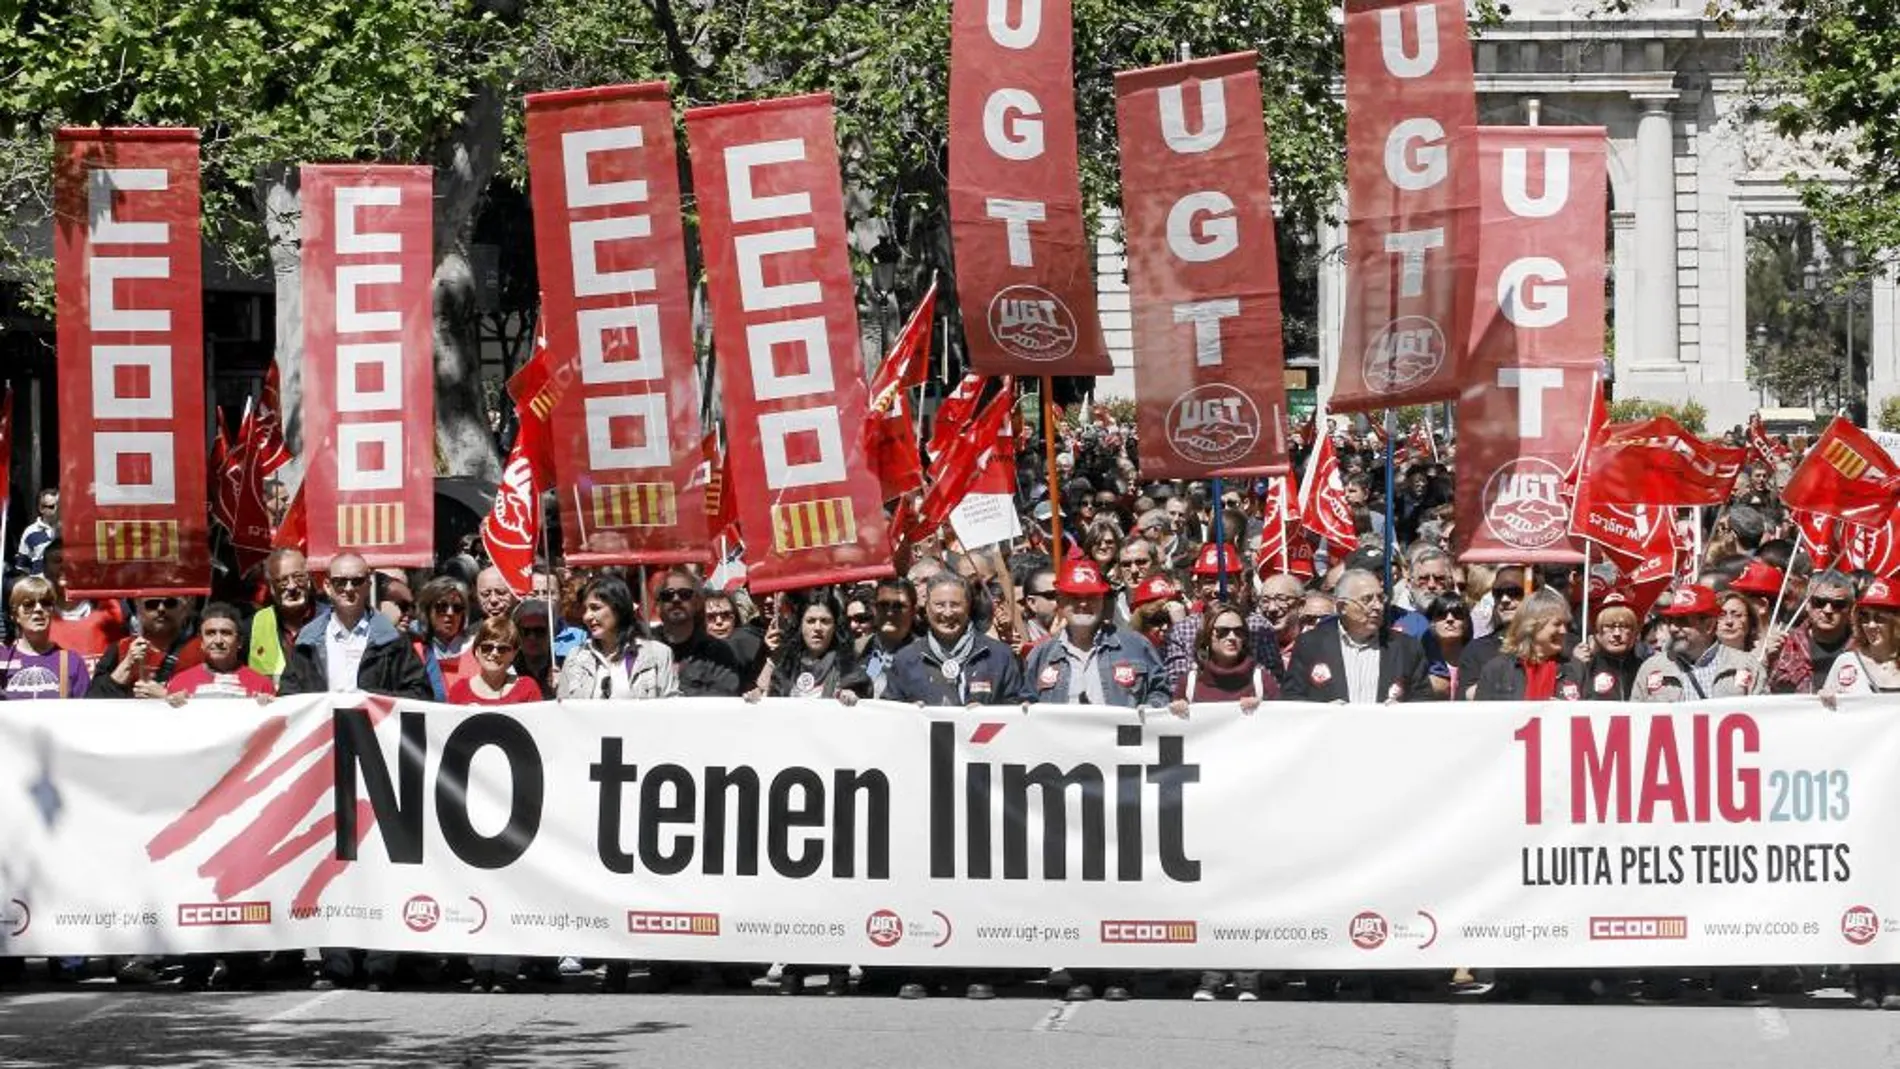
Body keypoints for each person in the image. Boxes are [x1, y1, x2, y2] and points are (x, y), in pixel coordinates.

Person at [278, 554, 434, 992]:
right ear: (326, 587)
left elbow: (418, 693)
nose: (348, 589)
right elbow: (289, 695)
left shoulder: (393, 641)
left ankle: (380, 964)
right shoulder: (308, 640)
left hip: (377, 764)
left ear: (369, 585)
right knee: (332, 863)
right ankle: (337, 962)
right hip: (324, 766)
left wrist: (370, 704)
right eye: (340, 582)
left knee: (380, 861)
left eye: (357, 581)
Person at [1280, 569, 1434, 704]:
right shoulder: (1310, 645)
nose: (1377, 606)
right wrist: (1323, 712)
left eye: (1381, 598)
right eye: (1367, 600)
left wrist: (1401, 711)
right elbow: (1292, 699)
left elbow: (1423, 700)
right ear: (1342, 607)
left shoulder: (1407, 647)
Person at [884, 574, 1024, 711]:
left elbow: (1016, 708)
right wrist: (909, 713)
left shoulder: (999, 655)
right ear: (927, 608)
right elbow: (889, 713)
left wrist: (987, 715)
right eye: (939, 605)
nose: (948, 613)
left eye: (955, 605)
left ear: (968, 607)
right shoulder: (905, 659)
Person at [1632, 585, 1766, 701]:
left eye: (1682, 621)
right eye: (1670, 621)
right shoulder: (1651, 668)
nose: (1673, 628)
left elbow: (1765, 719)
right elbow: (1636, 721)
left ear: (1708, 625)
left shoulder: (1746, 666)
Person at [555, 576, 679, 700]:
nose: (587, 616)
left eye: (595, 608)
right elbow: (564, 712)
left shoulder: (657, 655)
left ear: (618, 608)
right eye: (585, 610)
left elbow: (672, 709)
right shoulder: (575, 658)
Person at [756, 593, 871, 704]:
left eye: (825, 621)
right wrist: (756, 695)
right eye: (811, 621)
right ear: (801, 625)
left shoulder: (848, 668)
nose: (817, 628)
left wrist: (852, 695)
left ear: (835, 626)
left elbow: (863, 697)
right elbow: (766, 696)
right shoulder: (786, 663)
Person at [90, 594, 204, 699]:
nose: (161, 609)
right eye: (152, 604)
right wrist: (127, 664)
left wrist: (165, 696)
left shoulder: (201, 650)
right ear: (138, 607)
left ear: (185, 608)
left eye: (170, 603)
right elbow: (94, 699)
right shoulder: (120, 648)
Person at [652, 568, 746, 696]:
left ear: (697, 603)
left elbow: (723, 701)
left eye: (685, 594)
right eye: (667, 595)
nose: (676, 599)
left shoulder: (719, 653)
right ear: (658, 606)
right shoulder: (643, 647)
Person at [1170, 602, 1277, 713]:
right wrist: (1178, 709)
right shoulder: (1188, 684)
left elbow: (1280, 721)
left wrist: (1263, 709)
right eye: (1222, 631)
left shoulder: (1262, 681)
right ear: (1207, 635)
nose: (1232, 637)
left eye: (1239, 631)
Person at [1473, 589, 1576, 700]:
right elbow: (1481, 714)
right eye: (1557, 624)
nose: (1563, 631)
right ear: (1533, 626)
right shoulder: (1497, 670)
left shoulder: (1575, 669)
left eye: (1566, 624)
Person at [42, 540, 127, 672]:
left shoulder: (114, 608)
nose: (65, 565)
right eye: (57, 560)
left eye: (72, 560)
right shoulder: (37, 615)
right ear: (45, 569)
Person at [1767, 569, 1856, 694]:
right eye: (1819, 602)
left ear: (1851, 609)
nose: (1828, 610)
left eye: (1838, 604)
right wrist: (1769, 661)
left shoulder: (1862, 648)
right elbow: (1767, 692)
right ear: (1807, 604)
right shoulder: (1785, 645)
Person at [0, 576, 89, 700]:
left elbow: (84, 714)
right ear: (15, 615)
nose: (38, 609)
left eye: (45, 603)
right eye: (28, 604)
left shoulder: (72, 662)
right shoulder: (3, 656)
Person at [168, 603, 276, 700]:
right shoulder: (179, 684)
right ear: (201, 642)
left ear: (239, 642)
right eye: (210, 633)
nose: (218, 640)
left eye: (226, 633)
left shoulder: (262, 685)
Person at [1819, 578, 1900, 703]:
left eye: (1880, 618)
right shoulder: (1846, 662)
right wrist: (1824, 700)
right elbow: (1825, 715)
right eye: (1865, 617)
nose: (1871, 625)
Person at [248, 548, 321, 684]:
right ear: (271, 587)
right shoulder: (253, 625)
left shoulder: (332, 620)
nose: (292, 586)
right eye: (282, 581)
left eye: (298, 577)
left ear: (309, 580)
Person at [1456, 567, 1530, 698]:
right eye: (1498, 593)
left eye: (1514, 592)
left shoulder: (1554, 646)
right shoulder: (1476, 651)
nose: (1505, 599)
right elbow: (1464, 701)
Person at [1561, 591, 1645, 701]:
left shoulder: (1645, 668)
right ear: (1596, 632)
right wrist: (1576, 664)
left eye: (1624, 626)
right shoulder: (1584, 668)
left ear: (1635, 631)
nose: (1616, 634)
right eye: (1609, 626)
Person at [447, 615, 544, 706]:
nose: (494, 653)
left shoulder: (527, 688)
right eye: (487, 647)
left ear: (513, 654)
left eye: (502, 649)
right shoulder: (459, 690)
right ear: (476, 651)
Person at [857, 578, 918, 699]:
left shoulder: (924, 655)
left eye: (898, 606)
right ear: (874, 609)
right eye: (883, 605)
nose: (889, 613)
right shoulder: (856, 650)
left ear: (913, 611)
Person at [415, 576, 475, 700]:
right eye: (442, 607)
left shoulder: (479, 647)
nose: (450, 613)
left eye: (457, 608)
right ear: (427, 610)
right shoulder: (415, 649)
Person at [1421, 595, 1471, 699]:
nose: (1450, 619)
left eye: (1457, 614)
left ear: (1466, 622)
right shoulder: (1420, 664)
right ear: (1432, 623)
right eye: (1441, 614)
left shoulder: (1477, 660)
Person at [14, 488, 57, 576]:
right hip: (39, 587)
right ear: (41, 508)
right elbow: (22, 567)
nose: (56, 509)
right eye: (51, 506)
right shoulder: (30, 532)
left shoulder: (70, 532)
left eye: (60, 505)